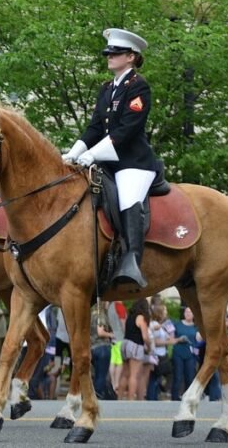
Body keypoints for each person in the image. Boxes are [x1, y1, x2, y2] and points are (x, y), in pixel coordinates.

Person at [62, 29, 158, 290]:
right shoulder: (106, 89)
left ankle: (132, 261)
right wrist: (74, 153)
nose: (109, 56)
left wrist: (93, 154)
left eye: (115, 53)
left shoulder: (138, 86)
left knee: (128, 198)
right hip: (107, 161)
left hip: (133, 163)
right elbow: (95, 127)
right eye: (108, 53)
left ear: (130, 57)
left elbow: (127, 129)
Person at [120, 298, 151, 401]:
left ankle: (119, 398)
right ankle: (130, 399)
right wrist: (149, 347)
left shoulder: (130, 317)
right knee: (134, 375)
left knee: (124, 374)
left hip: (125, 344)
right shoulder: (141, 317)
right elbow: (145, 337)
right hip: (136, 345)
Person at [170, 306, 199, 401]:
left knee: (190, 377)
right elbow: (171, 338)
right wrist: (179, 339)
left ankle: (188, 398)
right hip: (178, 353)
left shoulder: (196, 327)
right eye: (186, 312)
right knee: (177, 376)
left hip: (190, 355)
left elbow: (199, 340)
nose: (188, 313)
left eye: (190, 312)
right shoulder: (177, 324)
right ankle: (174, 397)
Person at [90, 301, 116, 400]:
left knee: (96, 374)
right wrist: (112, 335)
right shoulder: (101, 315)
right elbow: (100, 332)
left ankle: (95, 395)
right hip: (103, 347)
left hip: (93, 347)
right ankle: (98, 396)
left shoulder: (91, 315)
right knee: (102, 375)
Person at [147, 304, 172, 400]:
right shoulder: (155, 324)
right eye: (164, 311)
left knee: (157, 377)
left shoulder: (161, 325)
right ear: (160, 313)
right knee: (155, 376)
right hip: (156, 354)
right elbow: (155, 341)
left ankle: (155, 396)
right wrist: (170, 342)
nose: (166, 313)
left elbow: (167, 336)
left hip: (162, 353)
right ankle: (152, 397)